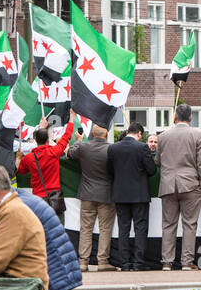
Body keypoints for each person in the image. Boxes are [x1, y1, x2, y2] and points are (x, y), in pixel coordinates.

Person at [156, 103, 201, 270]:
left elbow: (157, 160)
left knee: (168, 224)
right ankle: (186, 262)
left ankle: (167, 262)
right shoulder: (197, 135)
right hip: (190, 184)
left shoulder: (163, 136)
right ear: (191, 117)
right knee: (190, 224)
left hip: (168, 183)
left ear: (175, 117)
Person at [67, 122, 118, 271]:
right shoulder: (111, 149)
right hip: (106, 194)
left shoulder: (84, 147)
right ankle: (103, 261)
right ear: (106, 135)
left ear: (92, 134)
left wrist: (78, 140)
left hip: (87, 193)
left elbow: (70, 153)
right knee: (105, 229)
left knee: (86, 229)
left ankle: (83, 262)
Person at [109, 120, 157, 270]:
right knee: (140, 229)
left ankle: (124, 263)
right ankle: (138, 263)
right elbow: (151, 170)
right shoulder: (142, 147)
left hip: (120, 194)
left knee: (123, 229)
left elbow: (110, 171)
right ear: (139, 134)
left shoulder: (113, 148)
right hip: (139, 195)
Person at [17, 112, 77, 222]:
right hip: (54, 198)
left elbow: (20, 171)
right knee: (57, 230)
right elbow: (67, 136)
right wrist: (72, 118)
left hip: (37, 200)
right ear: (48, 140)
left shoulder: (28, 158)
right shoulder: (54, 152)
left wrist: (18, 158)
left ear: (35, 140)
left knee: (40, 230)